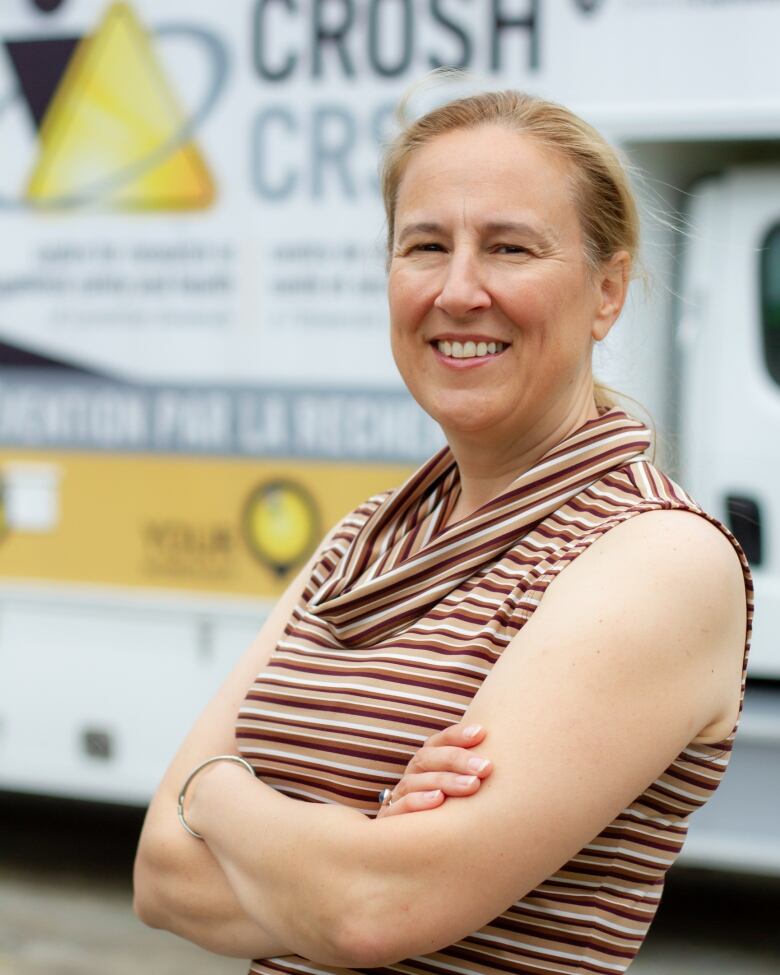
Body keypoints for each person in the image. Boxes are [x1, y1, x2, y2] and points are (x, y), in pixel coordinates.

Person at [133, 88, 754, 974]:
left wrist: (212, 792)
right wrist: (362, 836)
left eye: (509, 247)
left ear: (607, 290)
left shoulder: (657, 555)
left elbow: (376, 912)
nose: (460, 291)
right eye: (426, 246)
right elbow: (159, 879)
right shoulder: (363, 537)